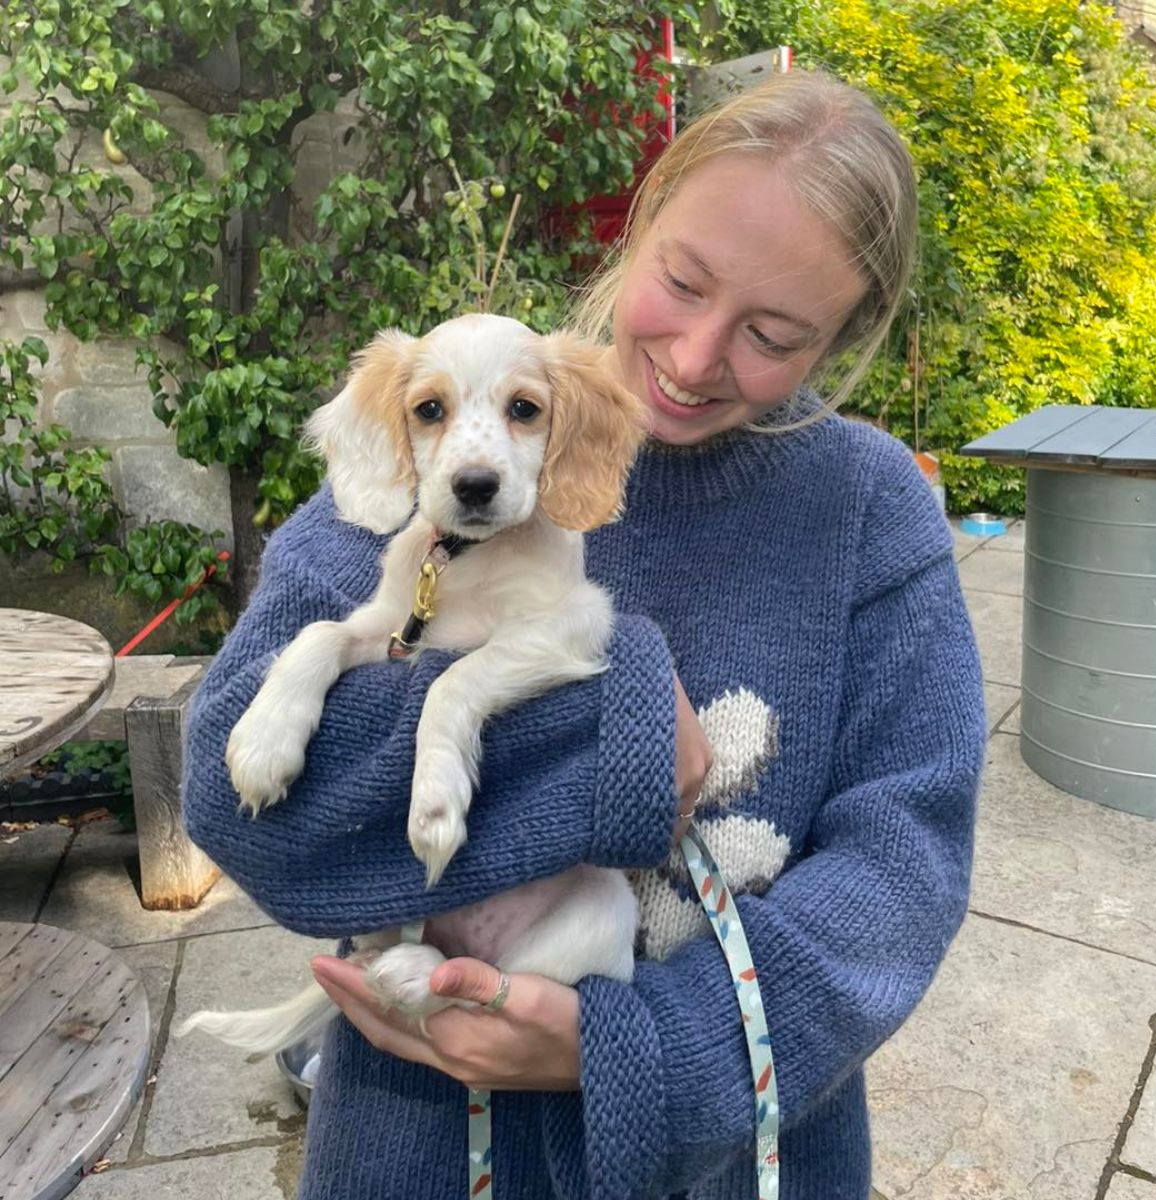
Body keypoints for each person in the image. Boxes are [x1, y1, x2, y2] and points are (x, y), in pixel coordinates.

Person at [183, 68, 986, 1200]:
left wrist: (638, 1051)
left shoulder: (871, 508)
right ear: (640, 221)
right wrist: (603, 743)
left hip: (737, 1148)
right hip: (421, 1147)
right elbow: (227, 790)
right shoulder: (446, 439)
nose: (699, 359)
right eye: (683, 281)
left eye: (772, 332)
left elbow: (905, 866)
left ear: (842, 335)